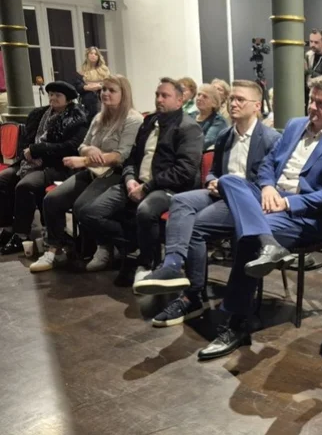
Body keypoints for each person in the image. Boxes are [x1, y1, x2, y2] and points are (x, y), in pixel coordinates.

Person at [196, 74, 322, 360]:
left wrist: (286, 203)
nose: (313, 107)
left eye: (321, 104)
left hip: (306, 216)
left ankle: (236, 324)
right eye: (311, 100)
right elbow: (267, 164)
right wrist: (268, 188)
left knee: (248, 238)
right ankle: (268, 243)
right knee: (230, 181)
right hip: (270, 200)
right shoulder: (295, 125)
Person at [133, 80, 280, 326]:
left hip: (246, 201)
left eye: (240, 99)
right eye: (232, 99)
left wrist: (228, 186)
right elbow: (213, 171)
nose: (233, 103)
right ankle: (172, 264)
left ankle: (193, 295)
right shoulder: (225, 136)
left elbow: (270, 181)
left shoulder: (270, 139)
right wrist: (212, 181)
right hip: (219, 193)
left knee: (196, 226)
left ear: (257, 106)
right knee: (180, 200)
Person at [74, 78, 203, 285]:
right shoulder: (149, 122)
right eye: (157, 95)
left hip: (168, 188)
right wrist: (129, 180)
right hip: (137, 183)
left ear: (179, 101)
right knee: (90, 212)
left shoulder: (188, 127)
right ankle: (133, 245)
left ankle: (146, 262)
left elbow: (184, 171)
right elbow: (132, 159)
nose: (159, 99)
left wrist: (147, 187)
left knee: (145, 210)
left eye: (165, 96)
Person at [30, 75, 143, 272]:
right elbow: (82, 145)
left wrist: (83, 160)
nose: (105, 93)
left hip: (115, 174)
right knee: (52, 200)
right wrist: (89, 150)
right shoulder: (99, 117)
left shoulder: (133, 119)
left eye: (111, 90)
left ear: (124, 94)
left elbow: (120, 156)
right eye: (103, 89)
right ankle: (55, 249)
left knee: (82, 207)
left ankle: (106, 246)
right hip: (93, 171)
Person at [0, 81, 88, 254]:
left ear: (68, 100)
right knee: (3, 179)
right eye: (51, 94)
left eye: (58, 95)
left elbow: (71, 147)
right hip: (30, 162)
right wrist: (29, 152)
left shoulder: (76, 119)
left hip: (57, 165)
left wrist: (38, 150)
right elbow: (27, 140)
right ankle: (8, 227)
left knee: (25, 185)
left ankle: (21, 234)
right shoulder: (40, 115)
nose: (53, 98)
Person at [193, 84, 228, 151]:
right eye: (198, 95)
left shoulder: (218, 121)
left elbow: (207, 142)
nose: (199, 98)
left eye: (205, 97)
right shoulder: (190, 116)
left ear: (214, 103)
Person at [77, 47, 110, 117]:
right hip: (87, 102)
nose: (93, 55)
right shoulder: (82, 70)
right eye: (91, 53)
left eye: (95, 54)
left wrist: (98, 86)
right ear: (87, 55)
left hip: (102, 99)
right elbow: (78, 87)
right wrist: (87, 87)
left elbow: (109, 83)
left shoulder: (104, 70)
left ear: (98, 56)